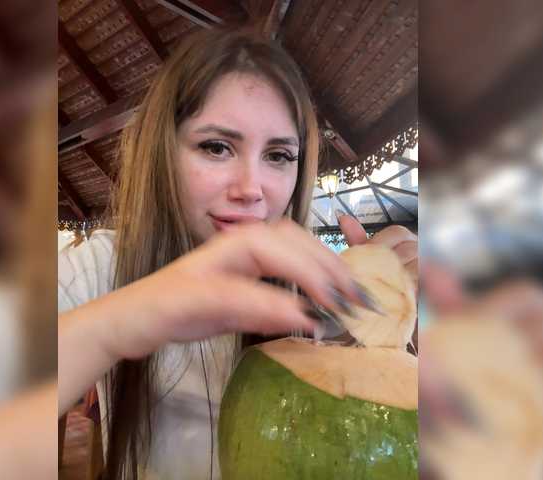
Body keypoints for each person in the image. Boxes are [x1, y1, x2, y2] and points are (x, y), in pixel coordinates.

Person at [58, 27, 418, 480]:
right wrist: (124, 320)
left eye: (279, 155)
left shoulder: (318, 298)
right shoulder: (103, 267)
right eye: (216, 147)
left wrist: (384, 322)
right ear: (163, 153)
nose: (251, 189)